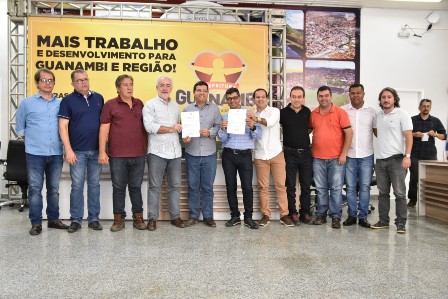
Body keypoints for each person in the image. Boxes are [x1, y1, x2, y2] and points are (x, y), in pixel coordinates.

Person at [16, 68, 68, 235]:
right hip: (34, 154)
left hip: (55, 153)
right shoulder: (26, 103)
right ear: (36, 83)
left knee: (53, 188)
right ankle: (36, 223)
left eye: (51, 80)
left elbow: (65, 127)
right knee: (35, 188)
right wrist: (33, 143)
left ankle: (53, 219)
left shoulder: (61, 103)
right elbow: (20, 129)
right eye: (44, 80)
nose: (48, 83)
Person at [98, 74, 147, 232]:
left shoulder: (139, 104)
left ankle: (138, 218)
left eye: (131, 84)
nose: (129, 87)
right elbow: (104, 128)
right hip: (117, 155)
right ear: (118, 88)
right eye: (125, 85)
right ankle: (118, 219)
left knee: (136, 187)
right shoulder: (110, 105)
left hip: (139, 153)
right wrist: (102, 152)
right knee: (118, 187)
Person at [59, 70, 104, 233]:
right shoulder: (67, 101)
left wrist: (103, 150)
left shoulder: (99, 98)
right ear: (73, 84)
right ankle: (76, 220)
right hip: (77, 151)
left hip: (96, 151)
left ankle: (94, 219)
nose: (84, 83)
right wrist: (68, 150)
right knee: (77, 186)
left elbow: (104, 126)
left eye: (86, 79)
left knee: (94, 186)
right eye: (79, 81)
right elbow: (63, 127)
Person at [143, 75, 185, 231]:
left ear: (171, 88)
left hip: (175, 152)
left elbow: (178, 127)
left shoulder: (175, 106)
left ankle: (175, 217)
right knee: (154, 186)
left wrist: (183, 134)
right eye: (162, 85)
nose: (165, 88)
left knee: (175, 186)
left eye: (168, 85)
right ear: (157, 87)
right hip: (157, 152)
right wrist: (171, 128)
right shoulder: (149, 105)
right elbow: (149, 127)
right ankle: (152, 218)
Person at [218, 87, 262, 229]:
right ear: (227, 100)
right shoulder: (224, 116)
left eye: (235, 98)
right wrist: (222, 129)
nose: (232, 100)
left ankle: (249, 217)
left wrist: (252, 126)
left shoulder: (250, 114)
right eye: (229, 98)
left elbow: (258, 135)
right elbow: (223, 139)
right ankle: (235, 216)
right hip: (229, 155)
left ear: (239, 98)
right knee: (230, 187)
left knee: (247, 187)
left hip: (245, 156)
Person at [309, 86, 353, 229]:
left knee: (335, 188)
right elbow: (308, 131)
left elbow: (349, 133)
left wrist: (344, 153)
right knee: (321, 188)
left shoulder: (340, 113)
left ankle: (335, 216)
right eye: (321, 96)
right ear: (317, 97)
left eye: (326, 95)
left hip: (336, 158)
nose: (324, 98)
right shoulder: (313, 114)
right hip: (317, 157)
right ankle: (321, 214)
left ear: (331, 97)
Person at [250, 88, 294, 227]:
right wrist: (252, 121)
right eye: (257, 97)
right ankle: (265, 215)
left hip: (276, 154)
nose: (260, 99)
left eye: (263, 97)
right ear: (254, 99)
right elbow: (252, 134)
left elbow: (269, 123)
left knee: (281, 186)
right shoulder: (251, 114)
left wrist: (255, 119)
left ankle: (284, 215)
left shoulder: (274, 111)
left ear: (267, 99)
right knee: (263, 187)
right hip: (260, 155)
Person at [371, 87, 413, 234]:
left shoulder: (402, 114)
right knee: (383, 193)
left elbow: (408, 136)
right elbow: (377, 133)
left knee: (400, 193)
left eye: (389, 97)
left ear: (394, 99)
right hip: (381, 161)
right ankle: (383, 221)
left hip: (397, 160)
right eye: (383, 97)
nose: (386, 100)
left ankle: (401, 223)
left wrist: (407, 156)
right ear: (380, 100)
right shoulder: (378, 116)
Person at [182, 81, 222, 228]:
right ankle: (193, 216)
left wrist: (210, 132)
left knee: (207, 187)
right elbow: (184, 130)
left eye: (205, 91)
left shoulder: (214, 109)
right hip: (192, 153)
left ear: (208, 93)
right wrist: (184, 136)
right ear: (194, 93)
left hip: (209, 154)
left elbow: (218, 126)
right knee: (192, 186)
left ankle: (208, 216)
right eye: (199, 90)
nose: (202, 93)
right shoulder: (186, 109)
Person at [341, 83, 377, 228]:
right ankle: (351, 215)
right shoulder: (343, 111)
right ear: (349, 95)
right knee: (350, 187)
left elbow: (378, 132)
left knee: (364, 186)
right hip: (349, 155)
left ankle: (362, 216)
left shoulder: (372, 111)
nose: (356, 95)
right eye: (353, 93)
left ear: (363, 94)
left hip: (366, 155)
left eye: (358, 93)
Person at [280, 86, 313, 225]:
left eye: (299, 97)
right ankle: (293, 212)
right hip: (289, 153)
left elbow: (310, 128)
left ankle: (305, 212)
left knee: (306, 185)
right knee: (291, 185)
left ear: (303, 98)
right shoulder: (283, 113)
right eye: (294, 96)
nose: (296, 99)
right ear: (290, 97)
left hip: (305, 153)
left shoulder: (307, 112)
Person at [407, 99, 446, 207]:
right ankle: (413, 200)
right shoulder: (412, 120)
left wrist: (435, 134)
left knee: (431, 178)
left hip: (430, 154)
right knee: (414, 178)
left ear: (430, 107)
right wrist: (414, 134)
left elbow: (444, 136)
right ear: (419, 107)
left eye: (428, 106)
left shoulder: (435, 121)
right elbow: (406, 134)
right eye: (424, 106)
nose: (426, 108)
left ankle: (430, 201)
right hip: (414, 153)